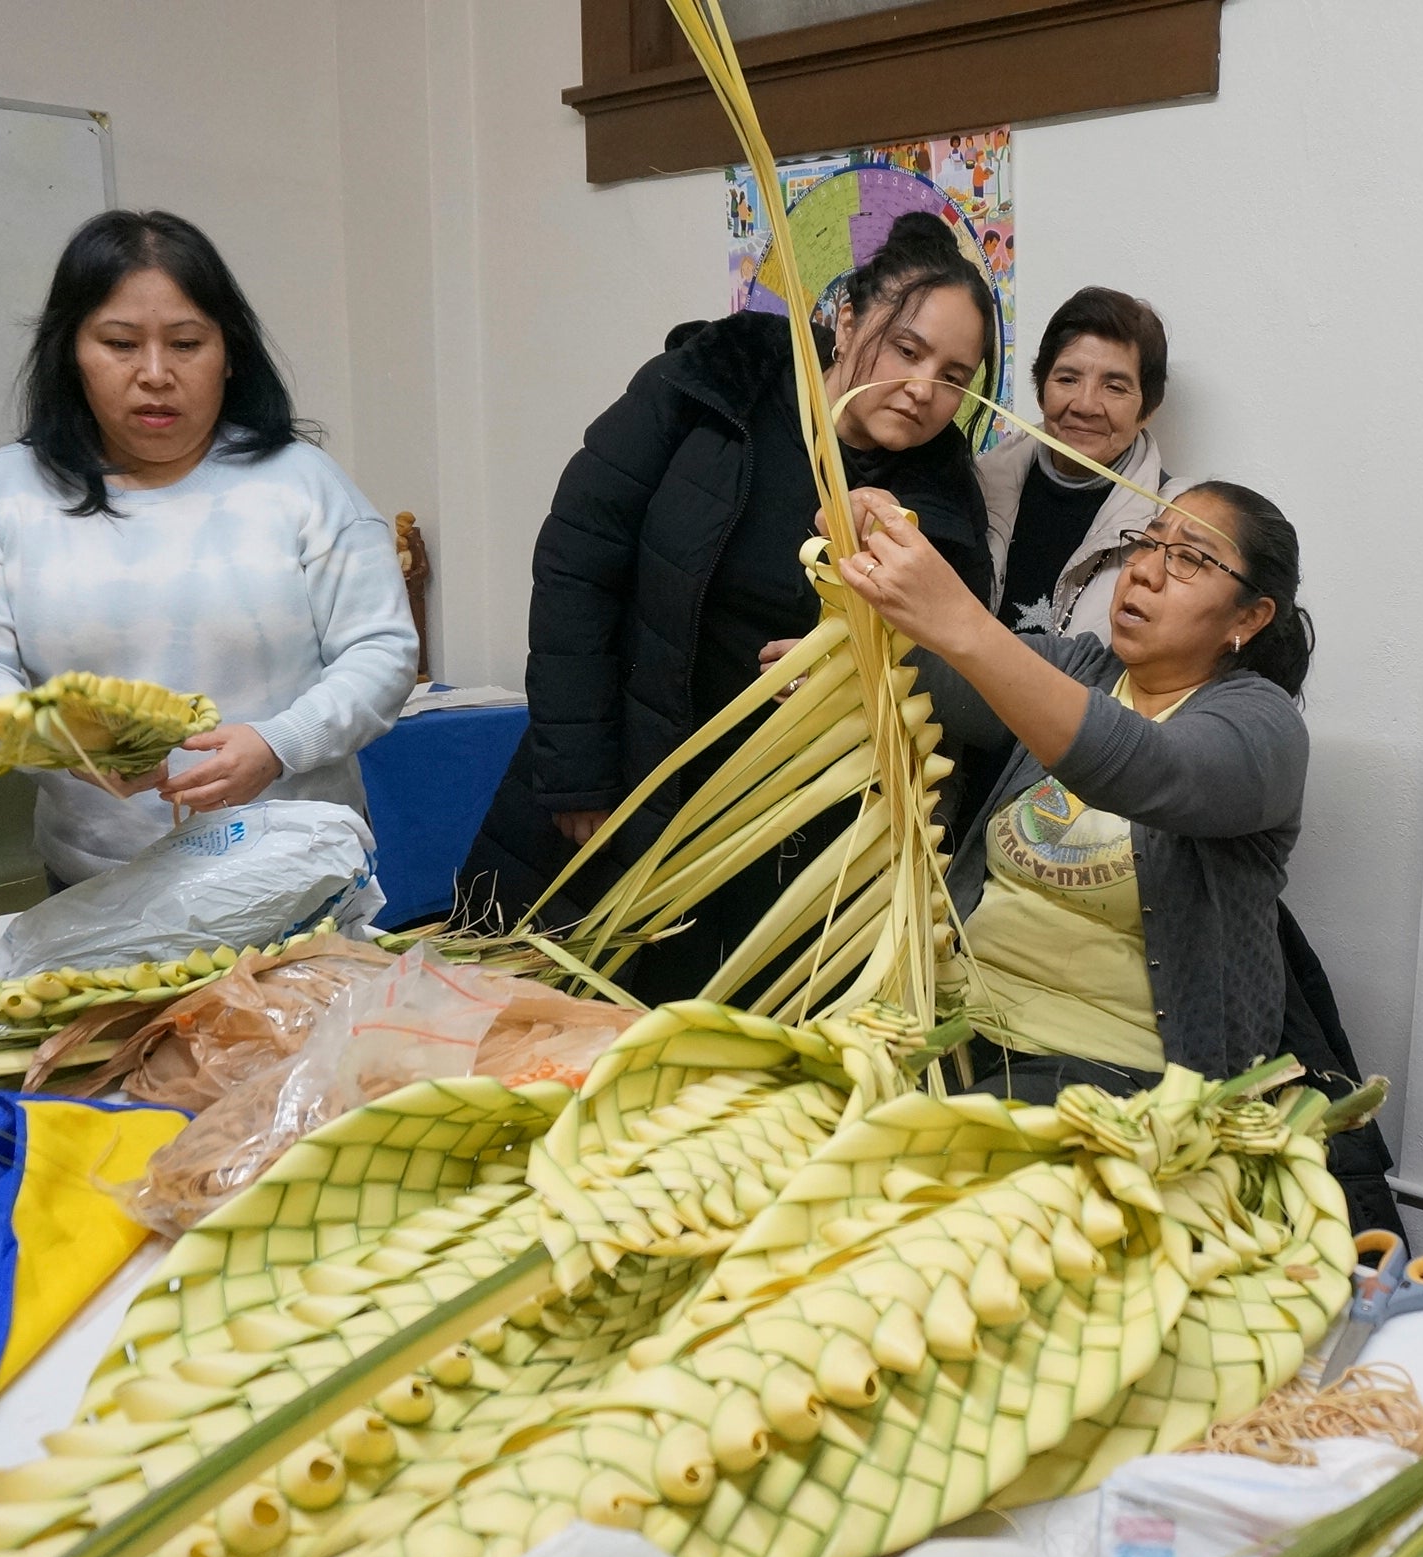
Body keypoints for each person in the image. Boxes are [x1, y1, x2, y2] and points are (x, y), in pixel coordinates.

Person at [462, 212, 995, 999]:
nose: (922, 390)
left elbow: (942, 676)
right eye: (906, 349)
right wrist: (577, 773)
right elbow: (581, 554)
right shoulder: (723, 380)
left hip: (778, 842)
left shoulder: (940, 502)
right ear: (844, 321)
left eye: (954, 376)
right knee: (530, 1035)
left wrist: (855, 675)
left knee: (700, 1069)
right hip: (620, 778)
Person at [0, 211, 417, 884]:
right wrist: (56, 742)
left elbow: (382, 652)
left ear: (229, 352)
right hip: (97, 874)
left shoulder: (302, 483)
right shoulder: (5, 492)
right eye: (121, 343)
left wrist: (279, 744)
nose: (155, 373)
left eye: (186, 343)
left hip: (293, 864)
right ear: (73, 350)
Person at [831, 478, 1313, 1099]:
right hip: (948, 1027)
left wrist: (964, 621)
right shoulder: (1082, 667)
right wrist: (857, 540)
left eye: (1189, 558)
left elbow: (1141, 767)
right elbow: (924, 673)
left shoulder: (1263, 726)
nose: (1143, 572)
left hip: (1109, 1074)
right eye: (1144, 543)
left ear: (1249, 616)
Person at [977, 287, 1173, 640]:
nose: (1085, 405)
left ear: (1149, 408)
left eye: (1114, 387)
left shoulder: (1170, 529)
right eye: (1067, 379)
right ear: (1040, 390)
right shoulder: (980, 484)